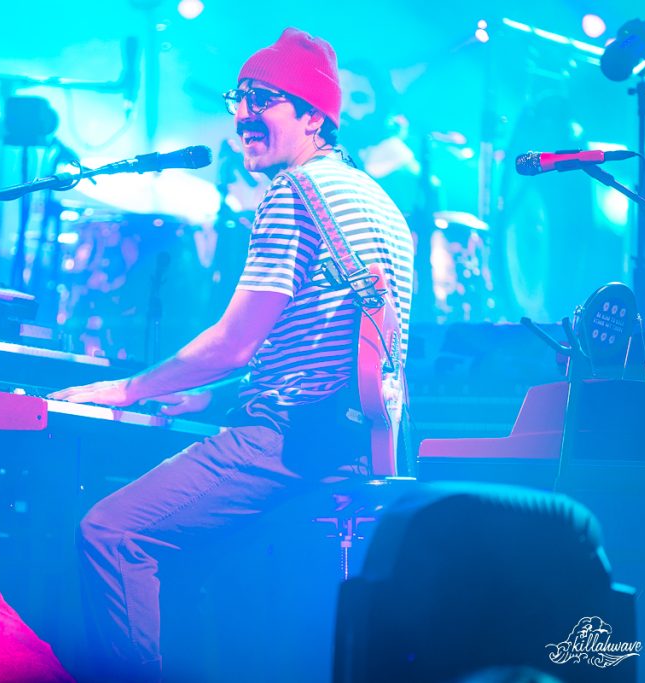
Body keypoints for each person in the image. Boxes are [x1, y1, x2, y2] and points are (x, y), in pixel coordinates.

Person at [49, 27, 414, 682]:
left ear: (314, 116)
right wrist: (205, 396)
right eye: (237, 98)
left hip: (288, 441)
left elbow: (235, 342)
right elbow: (328, 345)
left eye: (263, 99)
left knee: (111, 533)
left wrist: (129, 389)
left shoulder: (295, 192)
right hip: (360, 445)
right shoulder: (382, 204)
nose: (242, 114)